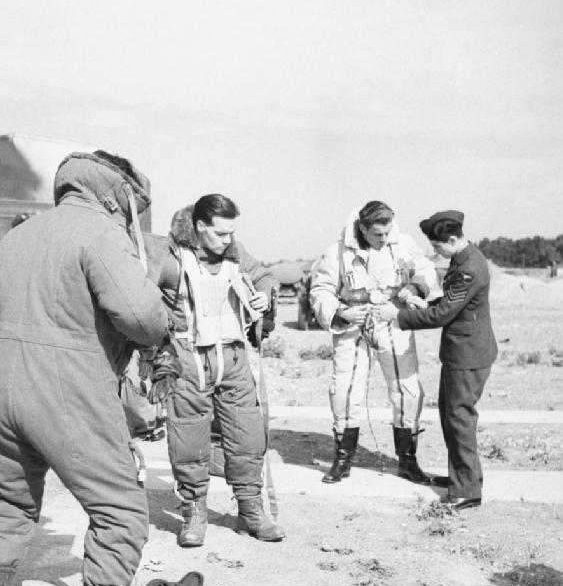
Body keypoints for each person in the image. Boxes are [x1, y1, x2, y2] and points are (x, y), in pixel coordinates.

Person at [0, 150, 169, 586]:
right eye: (133, 205)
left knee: (4, 500)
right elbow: (143, 318)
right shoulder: (101, 233)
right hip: (68, 391)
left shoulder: (19, 235)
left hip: (3, 390)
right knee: (120, 509)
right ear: (116, 193)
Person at [151, 193, 284, 546]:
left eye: (232, 233)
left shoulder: (236, 254)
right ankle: (194, 511)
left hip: (234, 359)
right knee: (188, 439)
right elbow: (139, 297)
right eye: (221, 234)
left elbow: (266, 277)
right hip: (189, 360)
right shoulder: (171, 260)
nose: (229, 240)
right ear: (199, 226)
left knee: (247, 436)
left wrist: (263, 297)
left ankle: (251, 508)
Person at [309, 200, 441, 484]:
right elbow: (320, 290)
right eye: (377, 234)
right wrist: (340, 312)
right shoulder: (337, 253)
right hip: (353, 324)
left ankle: (407, 460)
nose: (384, 239)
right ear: (363, 228)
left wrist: (414, 287)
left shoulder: (402, 244)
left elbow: (427, 270)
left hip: (392, 319)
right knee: (344, 389)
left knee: (407, 388)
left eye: (387, 232)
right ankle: (343, 459)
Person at [374, 210, 497, 510]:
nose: (435, 251)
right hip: (462, 354)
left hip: (468, 356)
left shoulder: (468, 267)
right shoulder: (463, 259)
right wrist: (423, 302)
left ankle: (467, 490)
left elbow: (444, 315)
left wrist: (399, 316)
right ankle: (463, 479)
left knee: (459, 420)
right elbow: (450, 302)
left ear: (453, 239)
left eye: (438, 245)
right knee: (451, 416)